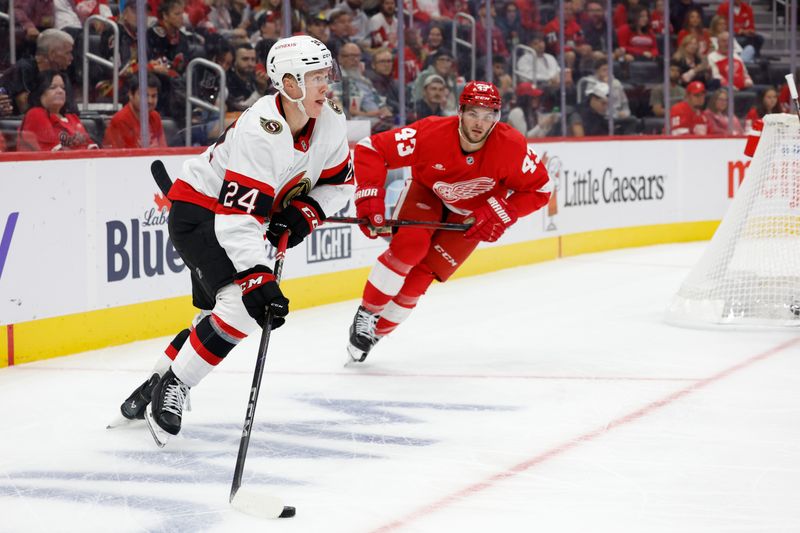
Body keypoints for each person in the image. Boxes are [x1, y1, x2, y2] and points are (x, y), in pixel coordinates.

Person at [118, 35, 354, 443]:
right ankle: (176, 384)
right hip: (200, 215)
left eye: (325, 74)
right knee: (243, 307)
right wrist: (258, 276)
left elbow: (341, 184)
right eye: (314, 76)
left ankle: (156, 382)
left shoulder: (331, 119)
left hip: (234, 219)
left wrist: (305, 213)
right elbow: (236, 219)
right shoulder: (262, 130)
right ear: (290, 83)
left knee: (222, 315)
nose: (325, 84)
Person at [345, 81, 551, 363]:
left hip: (475, 213)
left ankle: (375, 334)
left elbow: (540, 190)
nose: (480, 123)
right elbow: (372, 149)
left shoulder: (511, 146)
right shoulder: (431, 132)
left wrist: (503, 210)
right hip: (427, 193)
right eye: (474, 113)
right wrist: (369, 197)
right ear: (460, 111)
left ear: (497, 117)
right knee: (411, 247)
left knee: (421, 277)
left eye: (489, 115)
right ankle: (367, 315)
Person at [17, 70, 97, 151]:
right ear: (39, 93)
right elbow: (56, 152)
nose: (60, 91)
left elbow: (91, 147)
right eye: (52, 87)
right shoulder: (35, 114)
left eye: (62, 88)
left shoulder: (73, 117)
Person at [0, 28, 75, 115]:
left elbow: (72, 110)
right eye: (68, 53)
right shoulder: (24, 69)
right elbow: (25, 108)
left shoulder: (61, 76)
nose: (71, 58)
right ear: (52, 54)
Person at [102, 74, 167, 148]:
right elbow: (116, 157)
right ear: (130, 95)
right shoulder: (119, 120)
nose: (150, 101)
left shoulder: (155, 117)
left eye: (154, 96)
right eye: (145, 96)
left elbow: (164, 150)